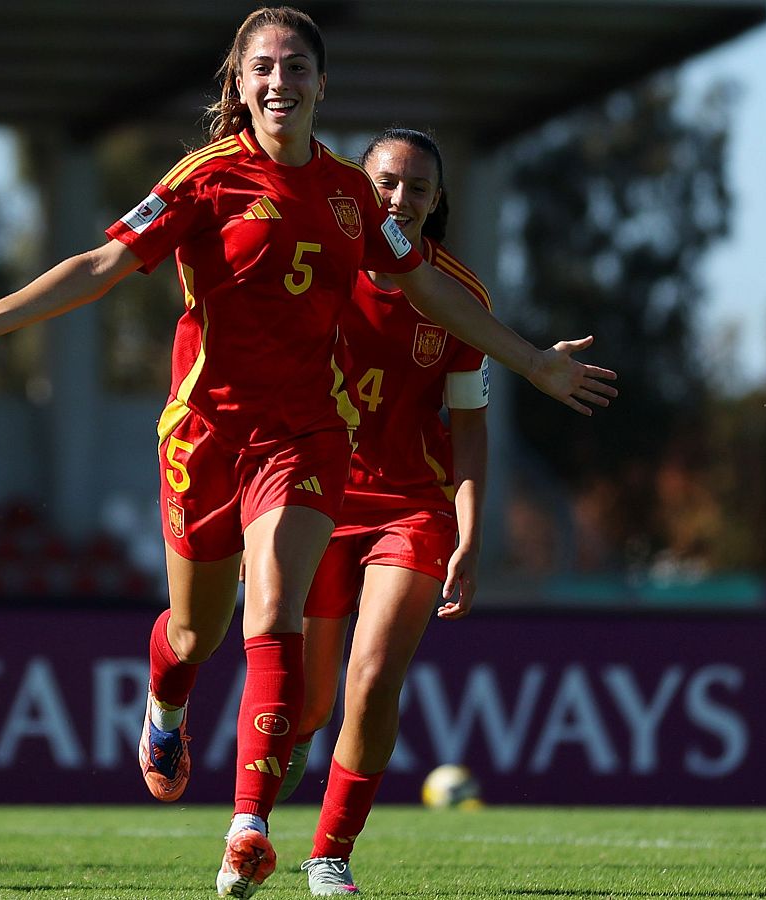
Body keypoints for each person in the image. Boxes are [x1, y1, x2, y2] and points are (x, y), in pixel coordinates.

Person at [0, 8, 616, 896]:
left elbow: (430, 288)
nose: (281, 81)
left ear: (323, 83)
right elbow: (103, 264)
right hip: (205, 434)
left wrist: (532, 362)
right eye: (264, 68)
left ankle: (248, 829)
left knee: (274, 614)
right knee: (196, 633)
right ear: (240, 86)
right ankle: (166, 701)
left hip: (305, 435)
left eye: (297, 66)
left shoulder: (353, 194)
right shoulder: (204, 179)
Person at [269, 127, 491, 896]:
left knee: (371, 681)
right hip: (316, 494)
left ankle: (331, 853)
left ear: (437, 203)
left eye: (417, 188)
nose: (400, 198)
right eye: (386, 183)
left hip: (411, 508)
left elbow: (470, 428)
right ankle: (300, 732)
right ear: (358, 189)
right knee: (311, 698)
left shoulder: (459, 298)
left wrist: (469, 534)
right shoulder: (315, 266)